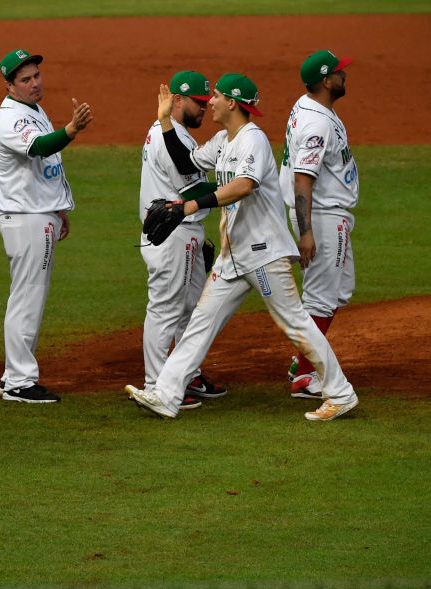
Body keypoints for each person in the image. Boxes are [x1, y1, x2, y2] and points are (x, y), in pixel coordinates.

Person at [125, 74, 359, 422]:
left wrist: (187, 207)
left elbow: (242, 187)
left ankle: (340, 394)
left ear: (233, 103)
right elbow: (187, 162)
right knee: (200, 323)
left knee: (295, 322)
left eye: (216, 96)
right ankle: (166, 394)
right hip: (233, 256)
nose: (211, 102)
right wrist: (164, 121)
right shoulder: (222, 140)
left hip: (263, 254)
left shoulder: (254, 141)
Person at [0, 48, 92, 404]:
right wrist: (71, 129)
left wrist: (58, 209)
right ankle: (18, 382)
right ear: (9, 86)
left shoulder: (32, 109)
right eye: (25, 79)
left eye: (36, 76)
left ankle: (14, 378)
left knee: (31, 296)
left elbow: (44, 168)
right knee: (27, 298)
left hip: (38, 214)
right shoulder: (11, 118)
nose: (35, 83)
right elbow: (39, 148)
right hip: (25, 219)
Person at [137, 69, 223, 410]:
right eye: (198, 103)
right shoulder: (166, 137)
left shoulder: (175, 134)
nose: (203, 108)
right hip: (172, 235)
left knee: (190, 309)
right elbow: (195, 189)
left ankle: (186, 374)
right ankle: (156, 384)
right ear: (177, 100)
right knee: (165, 309)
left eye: (206, 102)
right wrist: (236, 187)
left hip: (186, 233)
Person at [280, 50, 358, 400]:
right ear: (326, 80)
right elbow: (302, 180)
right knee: (321, 298)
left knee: (339, 290)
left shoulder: (309, 105)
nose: (345, 76)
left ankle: (303, 360)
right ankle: (305, 375)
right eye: (340, 72)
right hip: (323, 217)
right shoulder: (318, 122)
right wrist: (307, 231)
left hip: (328, 215)